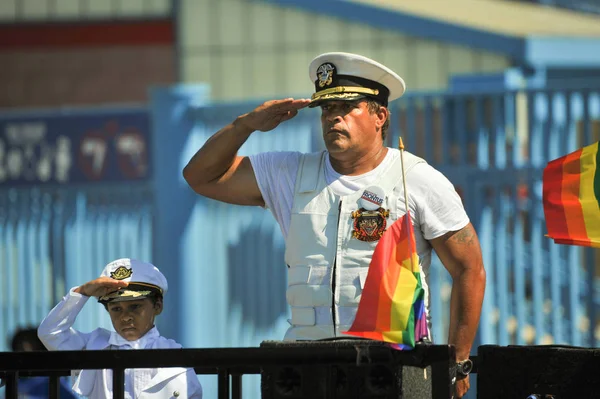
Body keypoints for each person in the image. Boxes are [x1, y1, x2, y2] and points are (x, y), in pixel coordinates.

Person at [182, 52, 486, 398]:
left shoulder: (416, 179)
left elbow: (469, 268)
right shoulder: (290, 173)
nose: (333, 118)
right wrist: (245, 125)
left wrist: (457, 361)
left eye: (347, 107)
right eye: (327, 109)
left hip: (393, 364)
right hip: (306, 366)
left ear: (379, 116)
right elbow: (199, 176)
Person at [38, 258, 203, 399]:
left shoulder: (175, 355)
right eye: (116, 309)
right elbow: (50, 332)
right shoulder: (93, 345)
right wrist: (82, 292)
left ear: (157, 306)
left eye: (135, 306)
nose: (125, 316)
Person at [3, 327, 77, 398]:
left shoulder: (52, 379)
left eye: (30, 344)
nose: (23, 349)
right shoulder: (14, 381)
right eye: (19, 346)